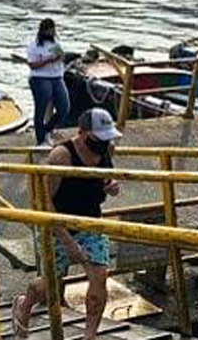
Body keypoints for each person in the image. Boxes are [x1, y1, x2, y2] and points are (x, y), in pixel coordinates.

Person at [11, 108, 121, 340]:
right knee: (48, 286)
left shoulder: (107, 149)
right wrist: (66, 240)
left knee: (99, 275)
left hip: (90, 221)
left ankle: (89, 335)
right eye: (98, 139)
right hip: (57, 224)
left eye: (107, 138)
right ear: (82, 133)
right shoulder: (61, 155)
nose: (104, 143)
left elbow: (107, 178)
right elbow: (44, 200)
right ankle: (25, 303)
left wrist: (111, 186)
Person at [27, 18, 70, 145]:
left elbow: (62, 58)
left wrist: (61, 57)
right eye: (49, 30)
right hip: (40, 77)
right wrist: (48, 60)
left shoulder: (56, 43)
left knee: (64, 107)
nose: (51, 33)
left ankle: (47, 129)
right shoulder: (34, 46)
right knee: (41, 107)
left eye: (53, 30)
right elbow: (32, 65)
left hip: (57, 76)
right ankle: (40, 138)